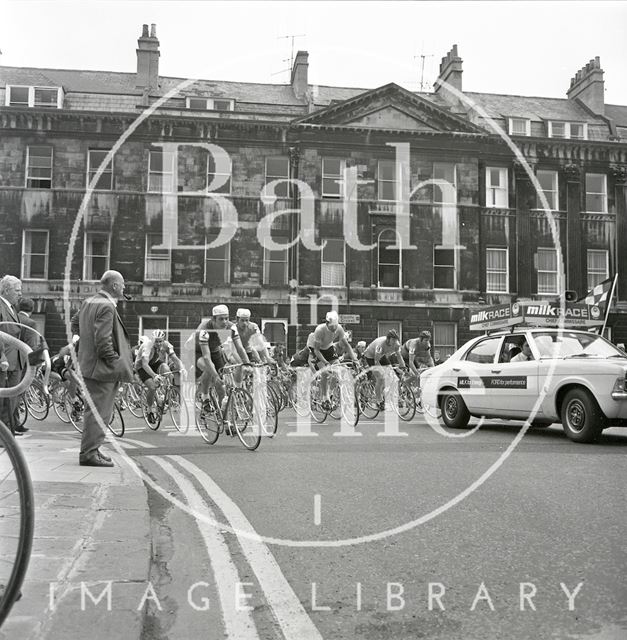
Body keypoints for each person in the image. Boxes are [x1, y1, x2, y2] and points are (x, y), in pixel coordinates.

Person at [74, 270, 134, 467]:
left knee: (94, 411)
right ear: (114, 285)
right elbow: (103, 340)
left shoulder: (89, 301)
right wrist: (113, 360)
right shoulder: (107, 306)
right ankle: (89, 454)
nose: (124, 287)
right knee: (100, 413)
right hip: (102, 370)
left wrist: (85, 346)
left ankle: (93, 449)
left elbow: (76, 323)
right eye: (122, 284)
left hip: (89, 366)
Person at [194, 304, 247, 415]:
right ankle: (205, 398)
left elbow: (240, 348)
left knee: (221, 387)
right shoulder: (204, 330)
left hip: (215, 350)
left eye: (227, 318)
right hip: (197, 352)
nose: (225, 322)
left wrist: (247, 363)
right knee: (209, 369)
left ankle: (222, 415)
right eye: (221, 319)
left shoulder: (231, 327)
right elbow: (207, 357)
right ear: (213, 319)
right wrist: (216, 376)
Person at [308, 311, 356, 409]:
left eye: (335, 327)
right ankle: (324, 397)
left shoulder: (339, 328)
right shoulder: (320, 330)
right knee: (325, 372)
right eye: (332, 327)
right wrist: (325, 362)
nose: (334, 330)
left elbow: (347, 345)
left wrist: (355, 359)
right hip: (317, 349)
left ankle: (330, 393)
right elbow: (317, 350)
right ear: (327, 324)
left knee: (337, 369)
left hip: (329, 347)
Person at [135, 329, 184, 424]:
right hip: (142, 366)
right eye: (156, 341)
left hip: (154, 362)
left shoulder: (166, 345)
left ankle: (167, 394)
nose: (158, 343)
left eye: (160, 341)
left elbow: (174, 358)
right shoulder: (147, 346)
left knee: (167, 369)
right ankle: (149, 411)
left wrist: (182, 368)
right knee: (152, 387)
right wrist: (154, 375)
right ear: (152, 340)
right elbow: (145, 364)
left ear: (163, 340)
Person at [0, 275, 24, 435]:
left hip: (14, 361)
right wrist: (1, 356)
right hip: (6, 362)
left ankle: (7, 433)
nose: (20, 294)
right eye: (17, 290)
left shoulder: (10, 307)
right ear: (6, 290)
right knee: (4, 401)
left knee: (11, 400)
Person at [364, 330, 406, 409]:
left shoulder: (396, 345)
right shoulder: (381, 344)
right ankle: (379, 401)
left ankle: (387, 393)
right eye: (393, 340)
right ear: (388, 339)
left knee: (393, 375)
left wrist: (403, 366)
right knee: (380, 378)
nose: (394, 342)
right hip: (371, 356)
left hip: (381, 355)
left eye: (396, 340)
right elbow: (376, 361)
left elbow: (399, 356)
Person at [18, 297, 52, 394]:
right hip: (22, 363)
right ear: (32, 309)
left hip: (9, 359)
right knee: (19, 391)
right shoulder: (31, 323)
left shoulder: (13, 317)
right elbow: (30, 346)